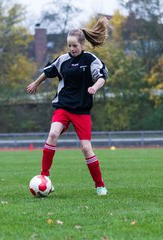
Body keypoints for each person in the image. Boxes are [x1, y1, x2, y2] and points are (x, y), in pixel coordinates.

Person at [26, 17, 109, 196]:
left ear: (82, 45)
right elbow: (47, 72)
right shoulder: (63, 59)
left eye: (74, 46)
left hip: (81, 111)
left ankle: (100, 185)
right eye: (69, 46)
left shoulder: (91, 60)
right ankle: (44, 178)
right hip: (63, 107)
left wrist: (95, 86)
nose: (71, 49)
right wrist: (35, 83)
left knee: (86, 148)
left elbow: (102, 76)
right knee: (53, 134)